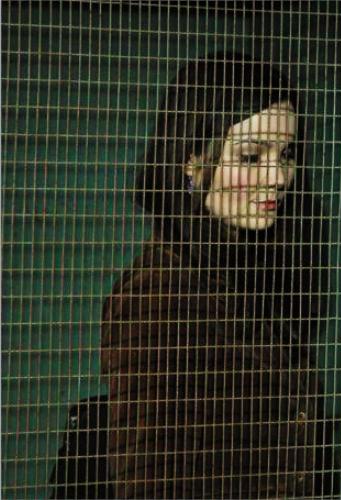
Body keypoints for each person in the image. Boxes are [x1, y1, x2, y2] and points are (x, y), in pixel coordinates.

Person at [100, 52, 328, 498]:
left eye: (286, 155)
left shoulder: (249, 272)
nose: (278, 177)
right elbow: (152, 482)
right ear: (192, 162)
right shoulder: (160, 293)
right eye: (251, 157)